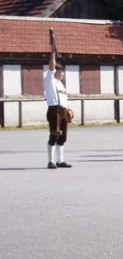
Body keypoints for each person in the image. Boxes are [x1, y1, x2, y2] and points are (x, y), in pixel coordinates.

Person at [43, 38, 72, 169]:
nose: (63, 74)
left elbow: (64, 99)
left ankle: (60, 160)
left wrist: (68, 110)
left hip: (63, 111)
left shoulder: (60, 84)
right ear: (58, 72)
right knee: (54, 134)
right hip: (54, 110)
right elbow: (51, 67)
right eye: (62, 72)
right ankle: (51, 161)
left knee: (63, 136)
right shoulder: (50, 80)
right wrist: (52, 52)